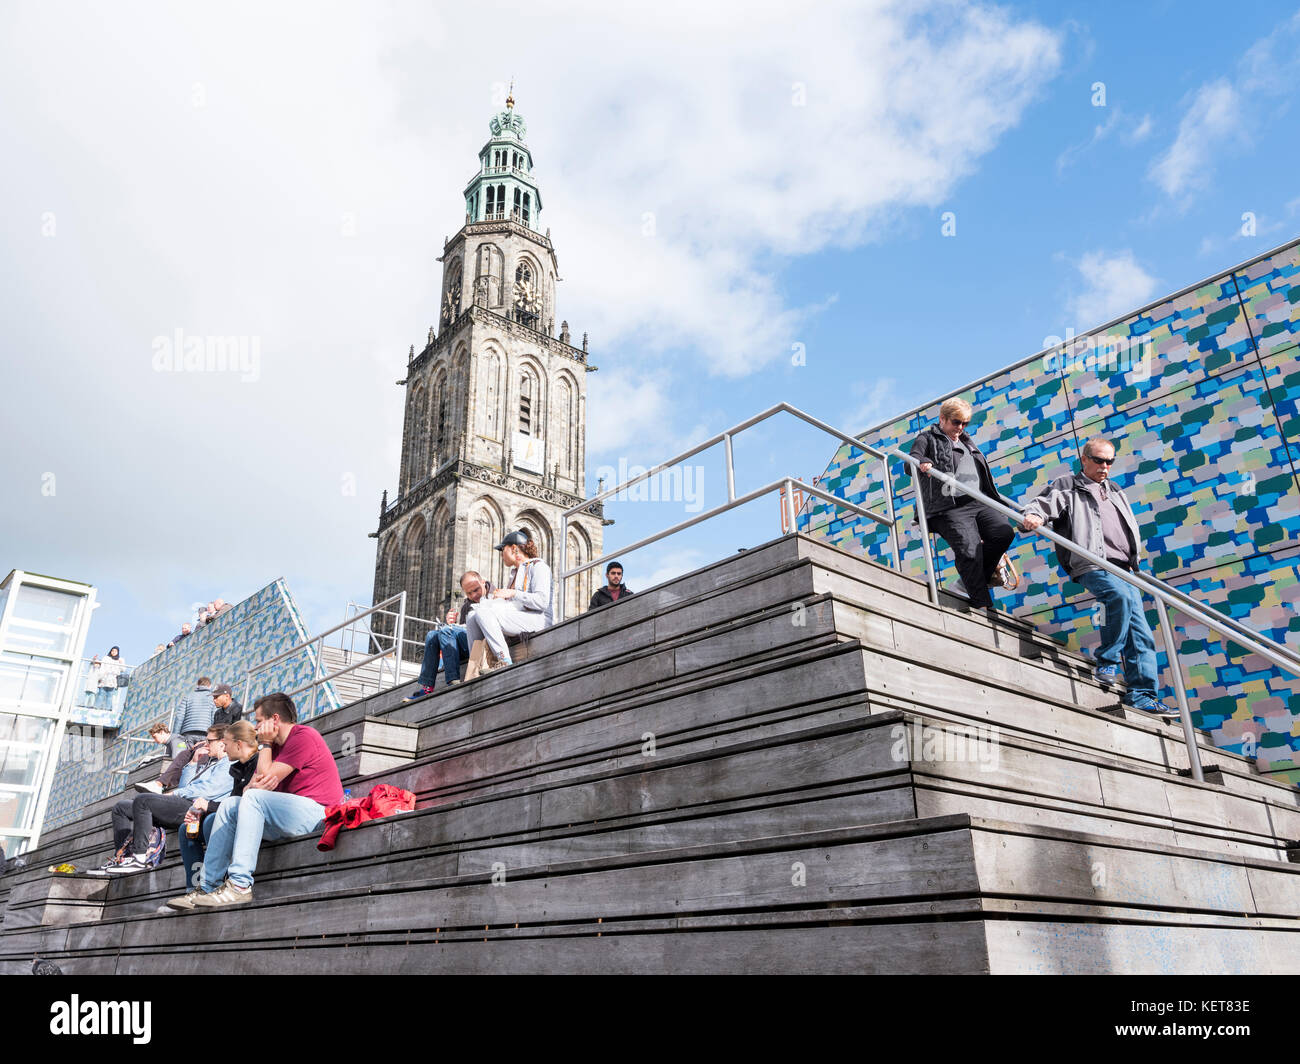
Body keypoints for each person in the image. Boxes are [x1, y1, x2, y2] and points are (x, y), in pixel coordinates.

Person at [1020, 436, 1177, 716]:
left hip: (1125, 569)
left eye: (1110, 461)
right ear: (1084, 459)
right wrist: (1034, 516)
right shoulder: (1068, 485)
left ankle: (1142, 694)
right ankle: (1106, 661)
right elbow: (1041, 504)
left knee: (1140, 633)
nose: (1105, 467)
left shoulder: (1115, 490)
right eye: (1099, 460)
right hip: (1091, 562)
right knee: (1116, 597)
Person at [165, 692, 343, 910]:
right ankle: (208, 886)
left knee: (253, 799)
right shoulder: (275, 748)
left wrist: (266, 744)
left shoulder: (303, 736)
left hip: (319, 814)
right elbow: (253, 786)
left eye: (259, 721)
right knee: (228, 808)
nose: (256, 728)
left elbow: (263, 781)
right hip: (287, 816)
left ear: (275, 720)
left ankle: (239, 885)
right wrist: (265, 755)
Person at [908, 397, 1016, 610]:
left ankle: (968, 581)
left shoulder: (967, 441)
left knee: (1003, 533)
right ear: (942, 419)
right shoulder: (927, 437)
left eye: (965, 423)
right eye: (956, 422)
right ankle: (983, 605)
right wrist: (922, 461)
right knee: (969, 550)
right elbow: (911, 458)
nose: (960, 427)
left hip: (978, 501)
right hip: (948, 506)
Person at [93, 725, 234, 875]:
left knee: (143, 801)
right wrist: (193, 762)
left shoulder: (228, 764)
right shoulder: (210, 762)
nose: (206, 744)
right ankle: (121, 857)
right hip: (185, 801)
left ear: (222, 742)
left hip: (194, 807)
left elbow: (208, 791)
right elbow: (185, 785)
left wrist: (174, 794)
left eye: (209, 741)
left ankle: (139, 857)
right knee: (121, 807)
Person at [178, 721, 259, 890]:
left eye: (226, 744)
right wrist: (203, 809)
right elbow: (232, 802)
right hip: (232, 814)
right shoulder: (237, 767)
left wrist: (209, 806)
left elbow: (240, 805)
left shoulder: (257, 762)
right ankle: (193, 887)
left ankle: (217, 882)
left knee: (212, 821)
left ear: (238, 744)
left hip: (250, 819)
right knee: (186, 829)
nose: (225, 748)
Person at [463, 530, 553, 674]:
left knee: (483, 613)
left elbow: (542, 602)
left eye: (502, 549)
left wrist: (512, 593)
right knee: (472, 616)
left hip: (537, 619)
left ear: (513, 548)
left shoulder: (538, 566)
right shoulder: (515, 573)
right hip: (518, 617)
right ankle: (475, 665)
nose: (501, 554)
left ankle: (504, 661)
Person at [403, 570, 496, 702]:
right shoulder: (466, 606)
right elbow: (466, 633)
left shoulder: (496, 596)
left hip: (486, 646)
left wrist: (451, 629)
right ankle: (427, 687)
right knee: (432, 635)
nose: (474, 595)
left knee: (446, 630)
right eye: (469, 593)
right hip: (471, 645)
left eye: (476, 590)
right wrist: (452, 625)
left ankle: (453, 681)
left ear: (483, 582)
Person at [174, 676, 216, 745]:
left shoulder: (188, 696)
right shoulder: (213, 698)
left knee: (187, 754)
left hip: (188, 733)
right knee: (201, 754)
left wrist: (175, 735)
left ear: (198, 685)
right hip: (205, 733)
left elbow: (179, 716)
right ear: (210, 686)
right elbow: (214, 717)